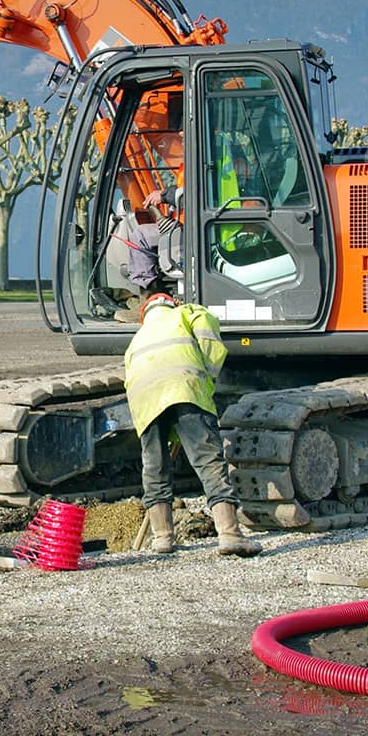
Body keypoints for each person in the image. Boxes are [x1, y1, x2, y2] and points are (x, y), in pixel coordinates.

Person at [123, 293, 261, 557]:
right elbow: (211, 343)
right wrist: (207, 381)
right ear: (171, 303)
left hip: (145, 403)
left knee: (155, 466)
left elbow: (130, 382)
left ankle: (162, 539)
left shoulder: (137, 340)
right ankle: (230, 534)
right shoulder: (187, 313)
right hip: (186, 388)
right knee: (208, 460)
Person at [111, 186, 185, 322]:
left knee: (141, 236)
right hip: (191, 226)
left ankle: (149, 299)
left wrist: (165, 196)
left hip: (192, 230)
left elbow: (195, 191)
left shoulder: (217, 168)